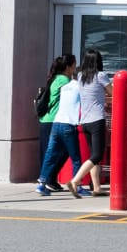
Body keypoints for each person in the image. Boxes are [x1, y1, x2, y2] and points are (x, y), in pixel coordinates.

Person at [68, 51, 113, 198]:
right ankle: (75, 181)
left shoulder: (80, 77)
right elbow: (114, 92)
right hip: (97, 120)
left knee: (94, 155)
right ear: (98, 61)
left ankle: (97, 187)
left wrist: (102, 99)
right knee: (97, 155)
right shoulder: (101, 76)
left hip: (85, 122)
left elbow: (92, 96)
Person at [37, 64, 85, 197]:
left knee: (50, 155)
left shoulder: (65, 87)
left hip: (56, 124)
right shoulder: (80, 87)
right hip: (69, 125)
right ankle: (77, 186)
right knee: (76, 158)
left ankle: (41, 184)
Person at [35, 54, 74, 190]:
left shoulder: (56, 78)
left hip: (46, 119)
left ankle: (48, 179)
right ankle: (47, 180)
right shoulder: (64, 80)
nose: (75, 68)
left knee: (50, 151)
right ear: (68, 67)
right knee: (60, 151)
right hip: (53, 120)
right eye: (74, 65)